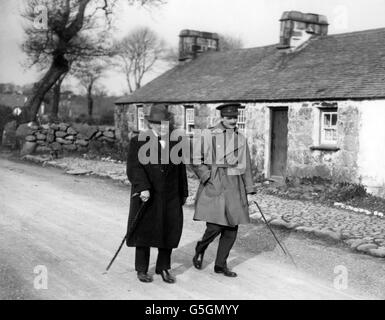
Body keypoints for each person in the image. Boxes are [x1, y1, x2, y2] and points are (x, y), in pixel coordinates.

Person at [190, 103, 256, 278]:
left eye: (235, 117)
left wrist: (249, 190)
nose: (232, 120)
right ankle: (201, 247)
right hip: (215, 183)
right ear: (221, 117)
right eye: (229, 117)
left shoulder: (240, 138)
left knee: (231, 228)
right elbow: (196, 159)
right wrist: (208, 177)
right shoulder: (208, 134)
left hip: (234, 184)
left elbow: (246, 165)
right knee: (214, 226)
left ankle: (220, 265)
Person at [126, 104, 188, 284]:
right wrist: (142, 187)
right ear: (150, 124)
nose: (162, 127)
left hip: (170, 195)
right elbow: (134, 168)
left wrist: (183, 192)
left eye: (165, 124)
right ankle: (142, 269)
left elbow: (180, 170)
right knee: (144, 231)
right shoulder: (138, 141)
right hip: (148, 194)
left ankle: (164, 267)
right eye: (157, 124)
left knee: (169, 230)